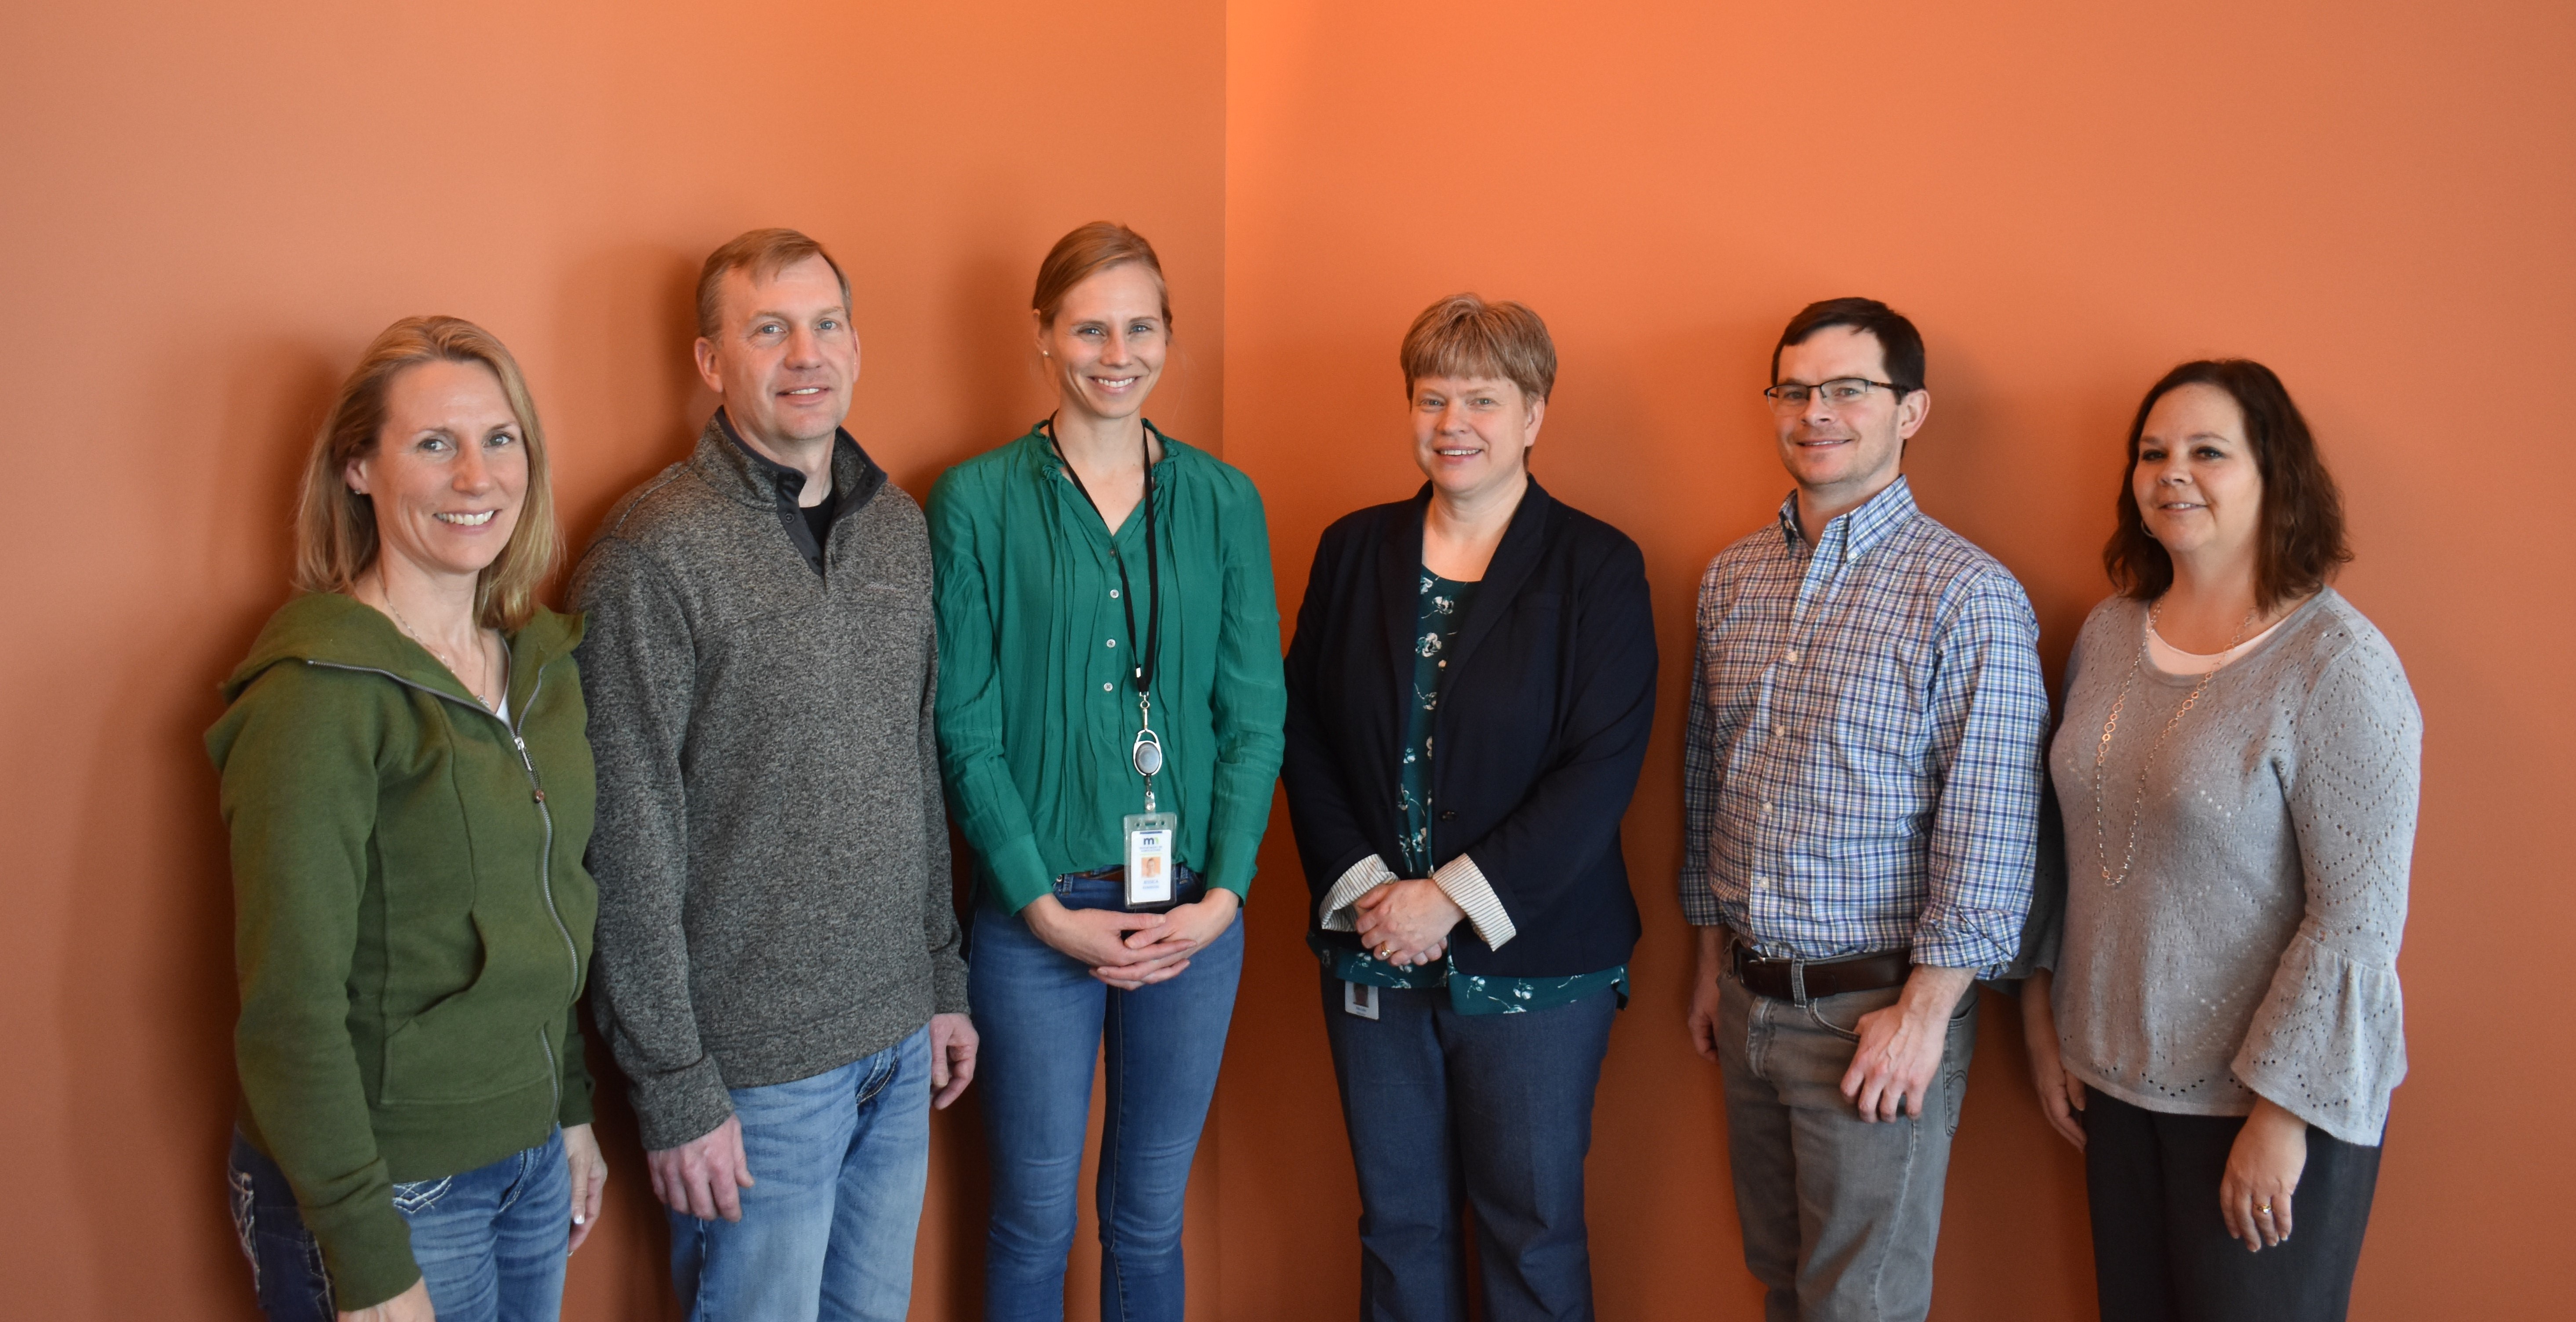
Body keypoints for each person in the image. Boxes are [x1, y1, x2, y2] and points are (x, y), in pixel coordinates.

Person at [570, 228, 976, 1322]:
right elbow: (628, 837)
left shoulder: (897, 530)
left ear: (856, 343)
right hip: (752, 1076)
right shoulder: (651, 553)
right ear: (712, 362)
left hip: (896, 1042)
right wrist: (673, 1084)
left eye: (826, 323)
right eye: (769, 329)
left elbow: (915, 767)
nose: (807, 354)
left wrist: (940, 978)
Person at [210, 315, 607, 1322]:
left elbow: (552, 906)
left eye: (500, 438)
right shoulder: (317, 693)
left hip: (527, 1162)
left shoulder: (542, 668)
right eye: (435, 443)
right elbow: (289, 1006)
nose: (477, 477)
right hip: (391, 1181)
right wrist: (365, 1256)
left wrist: (565, 1112)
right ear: (358, 468)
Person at [928, 221, 1285, 1322]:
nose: (1113, 351)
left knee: (1147, 1219)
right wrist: (1040, 909)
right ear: (1043, 338)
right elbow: (965, 726)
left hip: (1187, 914)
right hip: (1034, 923)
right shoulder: (975, 500)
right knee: (1031, 1215)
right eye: (1088, 326)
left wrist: (1221, 898)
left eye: (1138, 326)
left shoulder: (1224, 500)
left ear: (1169, 337)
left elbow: (1252, 715)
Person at [2016, 360, 2417, 1322]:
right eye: (2151, 453)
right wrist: (2042, 1021)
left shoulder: (2335, 663)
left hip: (2267, 1108)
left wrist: (2281, 1114)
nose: (2170, 473)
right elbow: (2062, 845)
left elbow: (2356, 919)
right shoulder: (2109, 634)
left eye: (2206, 451)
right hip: (2112, 1088)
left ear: (2272, 475)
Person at [1281, 294, 1656, 1321]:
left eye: (1482, 399)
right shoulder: (1353, 549)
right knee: (1396, 1228)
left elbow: (1598, 771)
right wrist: (1369, 891)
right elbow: (1300, 728)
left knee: (1530, 1235)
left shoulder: (1596, 567)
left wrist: (1443, 901)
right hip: (1371, 947)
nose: (1454, 422)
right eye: (1432, 396)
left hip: (1536, 963)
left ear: (1533, 414)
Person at [1680, 297, 2048, 1322]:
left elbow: (1990, 824)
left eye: (1848, 389)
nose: (1816, 411)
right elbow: (1708, 778)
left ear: (1910, 411)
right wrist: (1711, 965)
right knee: (1780, 1284)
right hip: (1750, 1003)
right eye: (1794, 389)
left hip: (1872, 1017)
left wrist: (1923, 1016)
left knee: (1861, 1309)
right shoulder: (1731, 581)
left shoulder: (1966, 594)